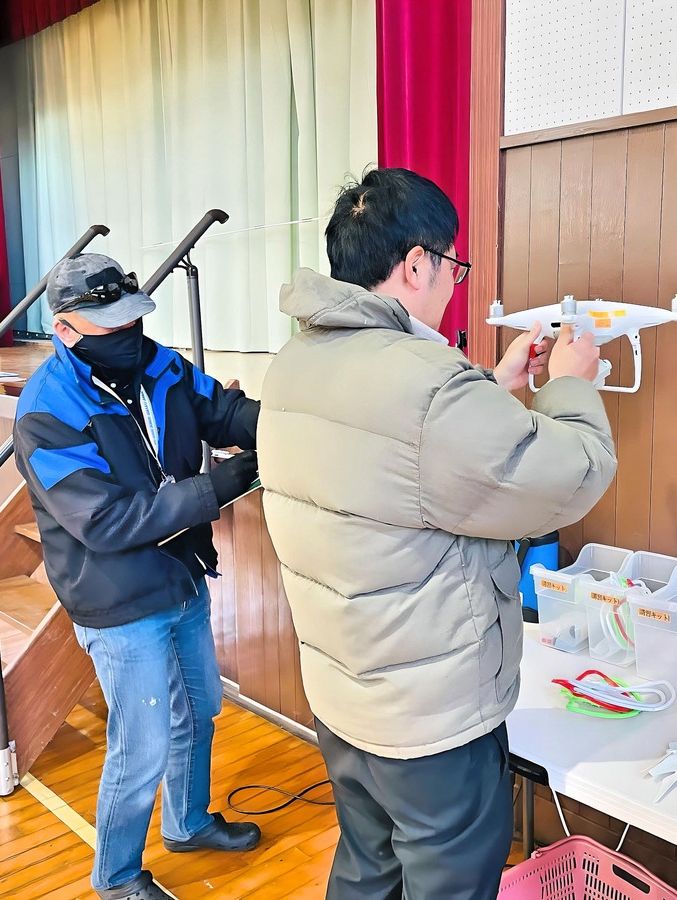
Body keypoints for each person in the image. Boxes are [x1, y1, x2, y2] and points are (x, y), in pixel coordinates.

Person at [258, 168, 618, 899]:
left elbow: (396, 457)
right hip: (429, 726)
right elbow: (573, 474)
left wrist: (491, 384)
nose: (454, 279)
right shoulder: (426, 384)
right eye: (454, 264)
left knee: (366, 872)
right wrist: (573, 383)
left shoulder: (300, 359)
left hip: (343, 696)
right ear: (417, 263)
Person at [13, 253, 263, 900]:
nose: (128, 335)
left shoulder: (160, 364)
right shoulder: (47, 410)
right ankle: (118, 876)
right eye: (110, 326)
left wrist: (277, 426)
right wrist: (213, 490)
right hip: (118, 599)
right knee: (142, 743)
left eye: (132, 319)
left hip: (181, 577)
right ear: (64, 329)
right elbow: (104, 520)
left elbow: (221, 410)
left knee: (201, 711)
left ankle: (189, 822)